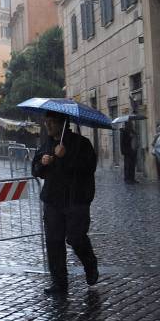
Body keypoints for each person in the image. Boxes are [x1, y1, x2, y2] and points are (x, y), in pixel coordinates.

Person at [31, 111, 99, 296]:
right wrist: (43, 163)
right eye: (47, 122)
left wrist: (66, 156)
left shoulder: (81, 143)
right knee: (54, 241)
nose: (49, 125)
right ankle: (59, 283)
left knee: (76, 238)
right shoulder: (46, 144)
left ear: (63, 123)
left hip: (76, 199)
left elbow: (89, 167)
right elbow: (35, 169)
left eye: (53, 122)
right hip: (53, 200)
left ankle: (90, 263)